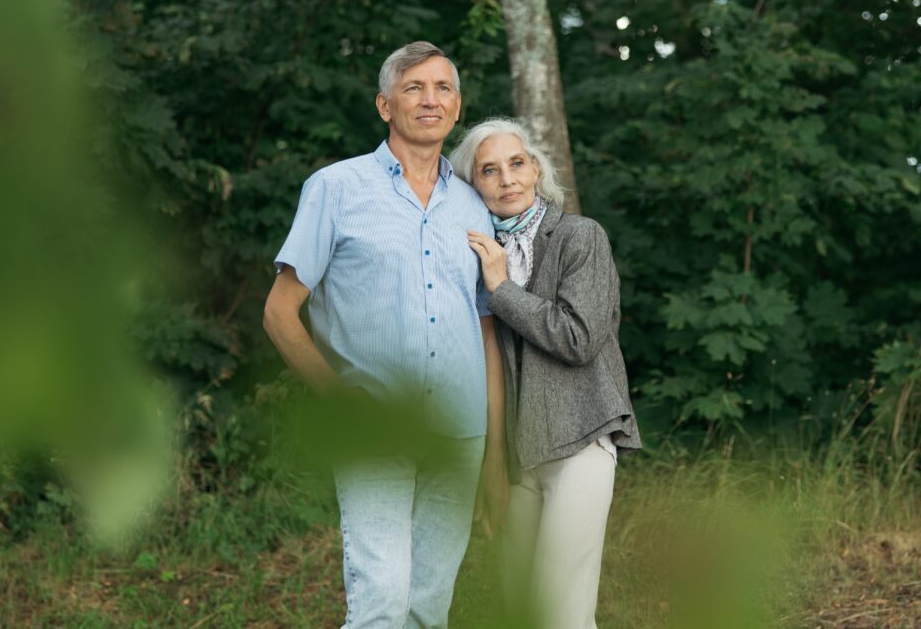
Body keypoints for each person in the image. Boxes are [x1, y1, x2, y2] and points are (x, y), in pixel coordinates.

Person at [263, 42, 506, 629]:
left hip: (459, 434)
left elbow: (486, 333)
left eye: (443, 88)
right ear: (385, 106)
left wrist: (495, 456)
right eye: (413, 88)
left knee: (428, 609)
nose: (430, 100)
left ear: (457, 107)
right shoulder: (336, 188)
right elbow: (278, 313)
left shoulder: (474, 206)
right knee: (380, 604)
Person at [450, 117, 641, 629]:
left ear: (536, 169)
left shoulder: (580, 236)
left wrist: (503, 289)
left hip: (579, 438)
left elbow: (579, 338)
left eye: (516, 163)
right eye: (489, 170)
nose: (507, 179)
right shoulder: (474, 253)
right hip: (515, 453)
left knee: (562, 613)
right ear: (473, 186)